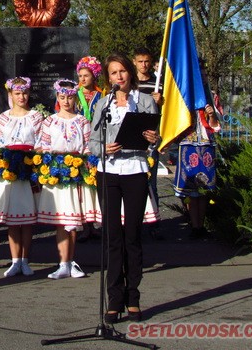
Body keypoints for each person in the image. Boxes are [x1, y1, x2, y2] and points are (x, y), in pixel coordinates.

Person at [88, 53, 158, 323]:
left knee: (132, 235)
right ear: (108, 78)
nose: (119, 77)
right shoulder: (103, 105)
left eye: (123, 72)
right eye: (114, 73)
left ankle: (133, 297)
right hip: (108, 172)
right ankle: (114, 299)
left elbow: (155, 139)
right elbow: (93, 142)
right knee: (112, 237)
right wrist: (103, 147)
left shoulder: (146, 101)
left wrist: (153, 139)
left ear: (130, 73)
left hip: (135, 171)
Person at [36, 79, 90, 279]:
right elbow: (45, 144)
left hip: (76, 171)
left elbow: (86, 146)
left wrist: (82, 163)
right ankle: (62, 263)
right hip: (58, 172)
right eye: (62, 97)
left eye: (69, 97)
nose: (66, 101)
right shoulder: (50, 121)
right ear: (57, 97)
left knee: (73, 221)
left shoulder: (82, 121)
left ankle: (71, 261)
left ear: (75, 97)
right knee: (61, 221)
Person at [0, 77, 43, 277]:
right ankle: (14, 260)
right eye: (17, 93)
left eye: (24, 93)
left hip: (28, 167)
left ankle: (25, 259)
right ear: (10, 95)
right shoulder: (3, 118)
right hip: (10, 167)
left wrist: (32, 156)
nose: (21, 97)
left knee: (27, 217)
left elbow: (40, 141)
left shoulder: (36, 116)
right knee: (13, 218)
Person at [173, 63, 221, 240]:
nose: (203, 79)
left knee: (204, 189)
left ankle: (202, 224)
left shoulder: (212, 97)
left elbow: (218, 124)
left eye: (205, 75)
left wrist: (211, 115)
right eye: (199, 76)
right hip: (189, 144)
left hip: (207, 146)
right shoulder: (185, 97)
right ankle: (194, 225)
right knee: (191, 190)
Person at [133, 47, 164, 234]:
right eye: (140, 61)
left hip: (152, 136)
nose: (144, 65)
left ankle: (155, 224)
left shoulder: (158, 83)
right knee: (134, 181)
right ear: (135, 62)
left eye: (147, 62)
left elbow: (165, 112)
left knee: (151, 181)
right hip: (134, 135)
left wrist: (160, 101)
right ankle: (134, 222)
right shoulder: (131, 82)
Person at [74, 55, 104, 242]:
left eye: (86, 75)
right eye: (80, 75)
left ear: (94, 76)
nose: (83, 79)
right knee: (82, 185)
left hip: (97, 141)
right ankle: (86, 225)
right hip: (79, 143)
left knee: (96, 183)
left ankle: (99, 222)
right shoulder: (72, 94)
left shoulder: (102, 95)